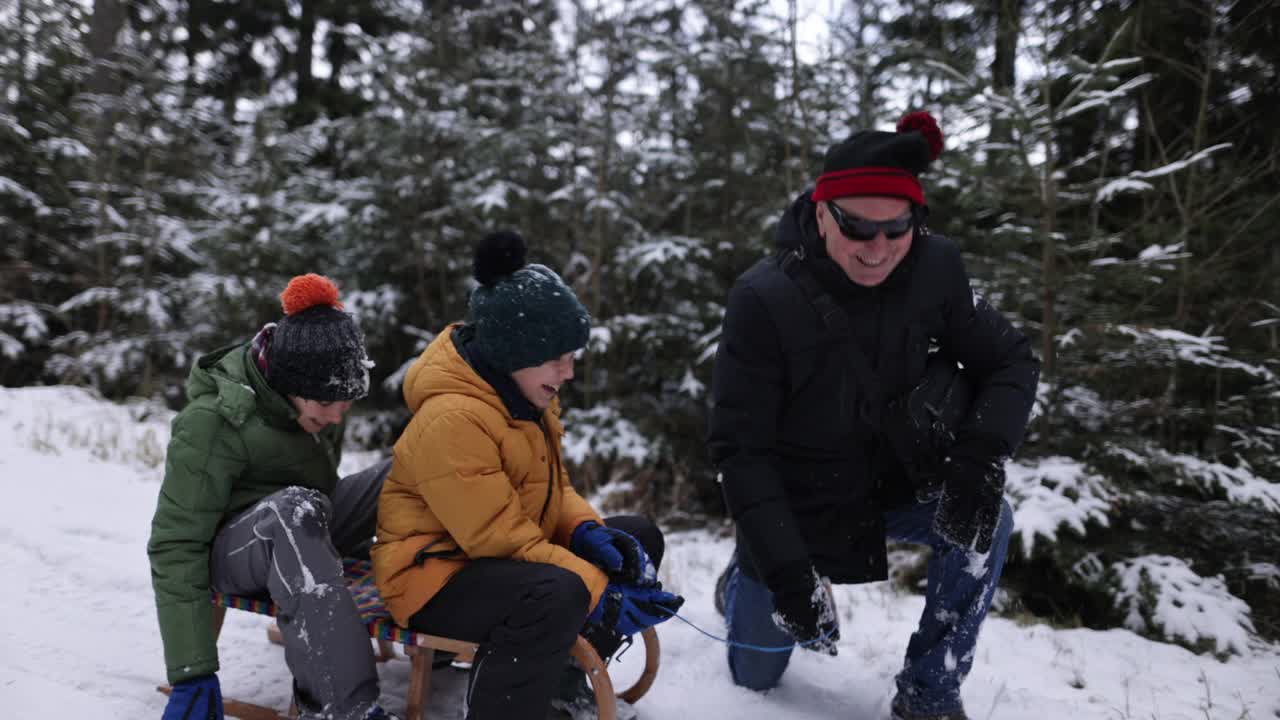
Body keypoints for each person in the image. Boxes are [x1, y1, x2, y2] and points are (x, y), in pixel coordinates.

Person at [707, 112, 1040, 720]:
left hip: (896, 479)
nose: (878, 248)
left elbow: (1011, 360)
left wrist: (980, 455)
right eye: (858, 227)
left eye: (897, 227)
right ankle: (742, 579)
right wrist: (784, 571)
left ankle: (929, 691)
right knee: (755, 674)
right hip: (799, 498)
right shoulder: (762, 298)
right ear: (821, 213)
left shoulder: (936, 268)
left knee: (987, 522)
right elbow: (740, 448)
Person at [372, 231, 684, 720]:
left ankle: (561, 678)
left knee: (637, 535)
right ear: (511, 353)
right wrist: (600, 592)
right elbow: (497, 538)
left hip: (500, 559)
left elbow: (553, 491)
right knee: (560, 591)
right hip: (433, 577)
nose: (568, 373)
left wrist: (588, 531)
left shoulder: (525, 396)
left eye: (572, 358)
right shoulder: (454, 418)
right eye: (557, 359)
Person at [148, 273, 398, 720]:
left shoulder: (321, 401)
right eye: (328, 403)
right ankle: (346, 710)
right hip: (233, 552)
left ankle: (451, 607)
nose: (340, 414)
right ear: (288, 385)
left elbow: (324, 488)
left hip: (306, 523)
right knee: (291, 510)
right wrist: (191, 670)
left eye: (347, 401)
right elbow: (176, 542)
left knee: (409, 470)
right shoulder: (211, 423)